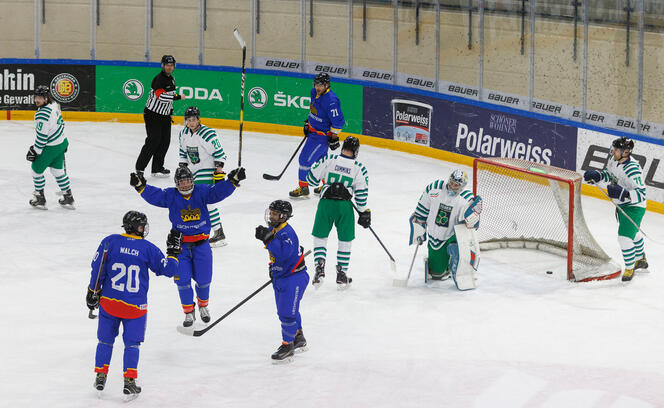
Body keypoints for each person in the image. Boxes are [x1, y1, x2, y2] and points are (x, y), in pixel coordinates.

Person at [130, 165, 246, 326]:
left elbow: (218, 192)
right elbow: (155, 196)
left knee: (204, 279)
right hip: (180, 247)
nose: (185, 185)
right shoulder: (171, 195)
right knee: (182, 280)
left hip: (202, 245)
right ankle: (188, 312)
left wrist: (232, 181)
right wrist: (141, 186)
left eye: (188, 181)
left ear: (192, 181)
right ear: (177, 183)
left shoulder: (202, 191)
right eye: (182, 182)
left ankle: (203, 306)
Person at [86, 211, 182, 400]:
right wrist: (173, 252)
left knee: (105, 340)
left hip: (109, 302)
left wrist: (92, 291)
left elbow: (98, 267)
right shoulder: (148, 248)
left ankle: (100, 375)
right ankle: (129, 382)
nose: (144, 229)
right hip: (134, 307)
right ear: (134, 227)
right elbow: (169, 270)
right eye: (141, 225)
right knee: (132, 344)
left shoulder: (110, 241)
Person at [305, 136, 370, 289]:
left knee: (320, 238)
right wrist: (363, 212)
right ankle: (341, 273)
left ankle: (319, 269)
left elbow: (311, 181)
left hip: (326, 204)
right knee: (345, 241)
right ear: (356, 151)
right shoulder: (359, 167)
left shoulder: (329, 159)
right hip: (344, 207)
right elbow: (361, 197)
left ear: (342, 148)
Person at [583, 137, 647, 282]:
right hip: (623, 204)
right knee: (633, 232)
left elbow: (642, 194)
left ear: (625, 152)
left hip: (634, 207)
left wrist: (624, 194)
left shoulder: (633, 170)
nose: (613, 151)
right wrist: (598, 175)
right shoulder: (614, 160)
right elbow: (609, 174)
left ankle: (630, 268)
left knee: (624, 238)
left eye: (616, 149)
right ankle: (641, 258)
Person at [254, 200, 309, 362]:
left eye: (275, 214)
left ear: (284, 216)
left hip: (293, 278)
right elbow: (276, 257)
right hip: (282, 276)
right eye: (270, 212)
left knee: (286, 313)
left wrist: (269, 240)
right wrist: (272, 267)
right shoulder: (274, 228)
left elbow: (285, 254)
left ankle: (288, 346)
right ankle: (298, 337)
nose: (271, 216)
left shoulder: (287, 233)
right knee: (289, 310)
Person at [408, 170, 482, 282]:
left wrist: (474, 216)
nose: (452, 186)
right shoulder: (435, 187)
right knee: (437, 274)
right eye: (451, 182)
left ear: (462, 186)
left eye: (456, 185)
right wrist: (419, 229)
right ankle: (444, 265)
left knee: (459, 249)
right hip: (436, 235)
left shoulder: (466, 199)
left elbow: (472, 227)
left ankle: (457, 267)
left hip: (453, 235)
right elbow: (421, 211)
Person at [178, 106, 228, 247]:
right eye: (189, 120)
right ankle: (204, 231)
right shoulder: (183, 133)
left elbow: (219, 152)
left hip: (206, 170)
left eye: (194, 119)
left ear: (199, 119)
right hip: (192, 172)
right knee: (196, 202)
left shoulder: (208, 134)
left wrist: (219, 171)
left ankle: (218, 232)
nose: (191, 122)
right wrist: (183, 168)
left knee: (206, 202)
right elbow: (183, 152)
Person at [289, 73, 345, 198]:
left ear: (327, 85)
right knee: (322, 162)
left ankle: (303, 187)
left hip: (320, 137)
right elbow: (314, 111)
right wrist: (308, 122)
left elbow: (339, 121)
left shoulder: (331, 101)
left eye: (320, 85)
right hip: (313, 133)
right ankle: (327, 186)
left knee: (304, 160)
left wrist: (334, 137)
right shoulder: (313, 92)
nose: (317, 87)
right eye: (316, 84)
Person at [135, 54, 185, 178]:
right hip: (153, 115)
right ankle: (140, 169)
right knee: (153, 141)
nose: (169, 67)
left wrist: (170, 112)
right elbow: (160, 96)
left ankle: (157, 168)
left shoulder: (171, 79)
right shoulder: (159, 79)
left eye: (171, 65)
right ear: (162, 65)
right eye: (167, 65)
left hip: (165, 116)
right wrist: (179, 97)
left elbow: (169, 98)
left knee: (164, 142)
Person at [26, 85, 74, 209]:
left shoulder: (42, 114)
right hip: (61, 143)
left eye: (40, 97)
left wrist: (35, 151)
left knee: (36, 169)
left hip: (51, 147)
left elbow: (42, 138)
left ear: (46, 98)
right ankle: (68, 197)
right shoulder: (55, 106)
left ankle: (40, 199)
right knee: (58, 171)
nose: (37, 99)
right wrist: (63, 142)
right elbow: (62, 124)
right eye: (36, 96)